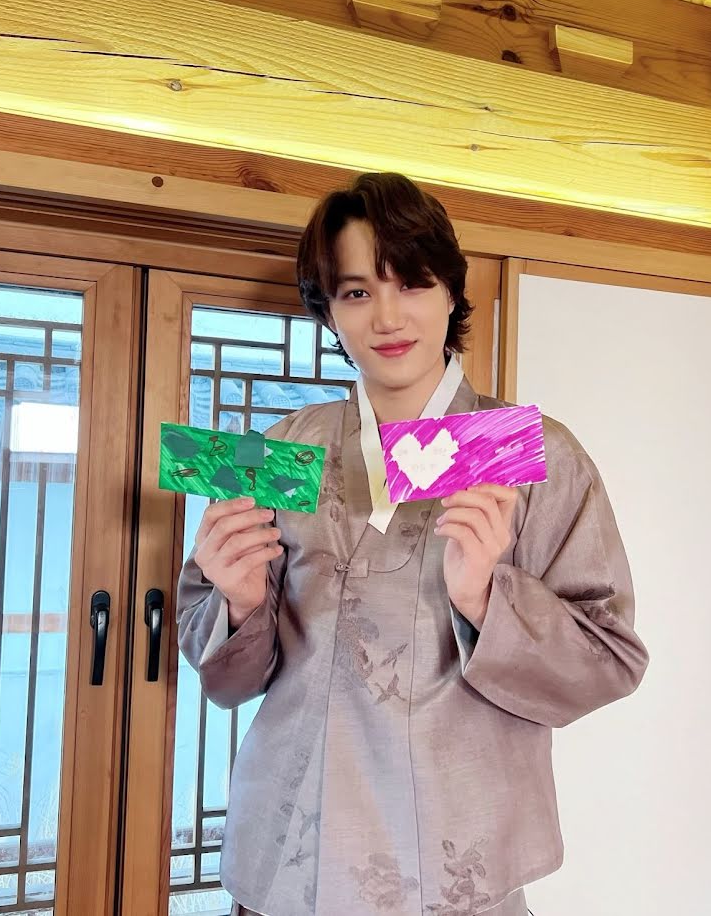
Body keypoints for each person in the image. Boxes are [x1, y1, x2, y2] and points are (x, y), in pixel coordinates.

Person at [177, 173, 650, 916]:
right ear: (328, 311)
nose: (389, 316)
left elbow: (609, 659)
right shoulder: (280, 450)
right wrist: (237, 605)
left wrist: (485, 598)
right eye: (357, 292)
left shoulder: (532, 452)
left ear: (452, 292)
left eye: (413, 282)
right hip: (291, 855)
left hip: (456, 867)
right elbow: (228, 681)